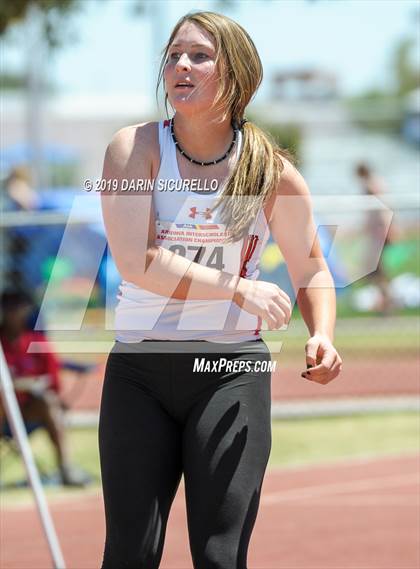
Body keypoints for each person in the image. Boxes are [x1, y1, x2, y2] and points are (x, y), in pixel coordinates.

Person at [99, 11, 343, 569]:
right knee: (129, 555)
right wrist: (236, 289)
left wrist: (323, 334)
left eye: (200, 56)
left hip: (231, 371)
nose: (180, 65)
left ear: (237, 73)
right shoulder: (134, 149)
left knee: (219, 554)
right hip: (140, 371)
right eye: (173, 55)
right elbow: (136, 263)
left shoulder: (270, 171)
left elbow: (311, 269)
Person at [0, 290, 90, 487]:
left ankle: (66, 468)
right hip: (3, 412)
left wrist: (27, 384)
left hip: (29, 410)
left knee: (49, 403)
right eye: (10, 309)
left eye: (19, 309)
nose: (15, 314)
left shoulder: (38, 343)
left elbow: (53, 383)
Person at [355, 162, 397, 314]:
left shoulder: (372, 186)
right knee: (375, 270)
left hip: (379, 233)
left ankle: (388, 301)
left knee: (374, 269)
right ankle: (386, 301)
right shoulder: (376, 183)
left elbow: (382, 209)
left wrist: (386, 229)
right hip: (378, 232)